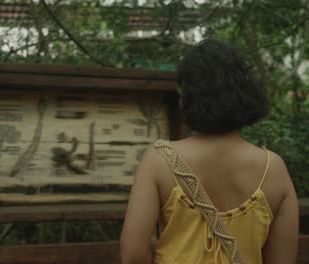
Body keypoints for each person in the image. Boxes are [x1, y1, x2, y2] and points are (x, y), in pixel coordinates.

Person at [120, 39, 299, 264]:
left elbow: (133, 255)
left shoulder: (160, 160)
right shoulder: (273, 169)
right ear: (245, 95)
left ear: (188, 97)